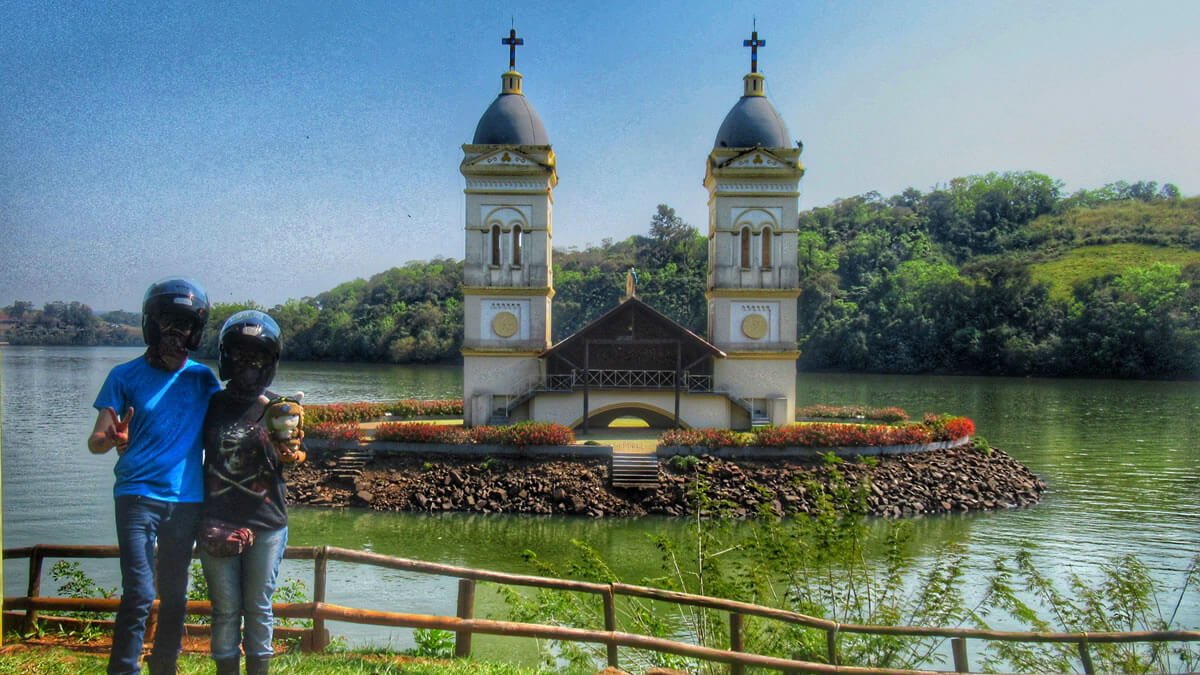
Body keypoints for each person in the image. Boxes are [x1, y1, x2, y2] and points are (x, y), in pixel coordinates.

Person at [89, 277, 220, 675]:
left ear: (196, 333)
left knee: (176, 596)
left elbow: (238, 411)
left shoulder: (203, 379)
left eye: (185, 327)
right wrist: (110, 439)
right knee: (140, 593)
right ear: (151, 325)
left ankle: (165, 667)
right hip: (136, 495)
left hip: (186, 500)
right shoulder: (123, 377)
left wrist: (283, 414)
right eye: (168, 324)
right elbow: (96, 439)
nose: (176, 335)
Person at [200, 310, 304, 675]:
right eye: (241, 358)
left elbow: (293, 456)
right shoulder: (209, 404)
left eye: (258, 359)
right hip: (217, 520)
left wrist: (289, 451)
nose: (248, 367)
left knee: (259, 607)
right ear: (226, 359)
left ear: (270, 364)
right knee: (225, 609)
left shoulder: (279, 409)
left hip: (267, 522)